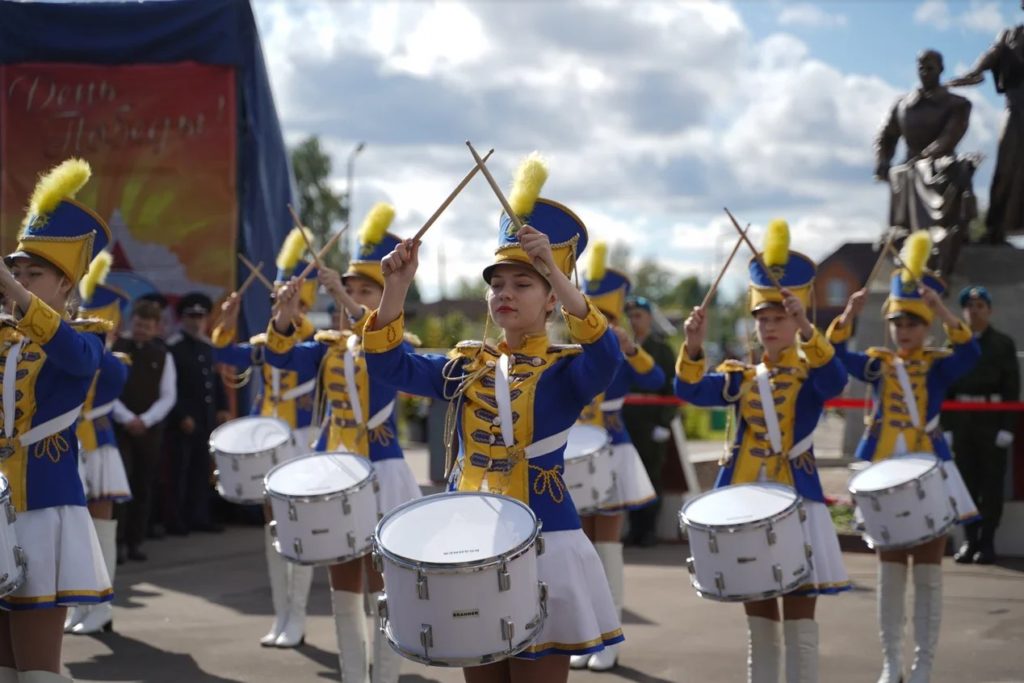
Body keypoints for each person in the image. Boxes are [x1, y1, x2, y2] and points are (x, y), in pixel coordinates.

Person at [364, 155, 622, 683]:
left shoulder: (565, 372)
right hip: (472, 542)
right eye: (497, 283)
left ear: (552, 299)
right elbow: (388, 365)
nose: (504, 293)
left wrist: (553, 267)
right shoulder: (465, 367)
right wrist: (396, 287)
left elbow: (606, 356)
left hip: (545, 541)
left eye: (522, 284)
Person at [675, 219, 850, 683]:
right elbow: (691, 390)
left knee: (800, 623)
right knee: (759, 625)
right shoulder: (741, 376)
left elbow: (836, 381)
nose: (770, 327)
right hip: (747, 500)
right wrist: (692, 345)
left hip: (798, 500)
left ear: (796, 319)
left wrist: (811, 330)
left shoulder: (813, 373)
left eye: (780, 318)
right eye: (763, 319)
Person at [267, 203, 421, 683]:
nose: (351, 296)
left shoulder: (401, 345)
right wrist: (286, 315)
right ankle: (355, 676)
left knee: (381, 584)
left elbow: (379, 342)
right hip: (334, 471)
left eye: (366, 289)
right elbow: (281, 357)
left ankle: (386, 677)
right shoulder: (330, 346)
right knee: (341, 587)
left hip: (380, 472)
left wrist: (351, 306)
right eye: (348, 288)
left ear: (387, 293)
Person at [828, 231, 980, 683]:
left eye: (913, 323)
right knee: (891, 570)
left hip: (930, 468)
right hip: (882, 473)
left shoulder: (938, 363)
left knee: (929, 572)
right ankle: (891, 661)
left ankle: (923, 664)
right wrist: (847, 316)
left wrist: (941, 308)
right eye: (898, 323)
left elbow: (970, 351)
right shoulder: (878, 363)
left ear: (925, 326)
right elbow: (833, 358)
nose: (904, 331)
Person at [0, 158, 113, 682]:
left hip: (44, 509)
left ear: (66, 285)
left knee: (37, 671)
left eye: (33, 273)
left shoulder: (88, 335)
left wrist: (17, 297)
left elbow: (79, 362)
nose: (18, 280)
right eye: (14, 270)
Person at [210, 235, 319, 649]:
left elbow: (298, 340)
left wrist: (292, 314)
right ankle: (281, 615)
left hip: (301, 439)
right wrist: (229, 318)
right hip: (267, 437)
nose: (280, 307)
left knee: (298, 528)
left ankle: (299, 616)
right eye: (277, 301)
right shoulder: (266, 342)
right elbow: (225, 354)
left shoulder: (314, 343)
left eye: (289, 300)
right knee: (272, 525)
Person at [569, 243, 662, 672]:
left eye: (606, 317)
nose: (598, 324)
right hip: (572, 451)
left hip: (610, 450)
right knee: (581, 550)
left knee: (607, 547)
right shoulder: (571, 347)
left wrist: (629, 346)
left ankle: (610, 640)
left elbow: (657, 377)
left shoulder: (621, 348)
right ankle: (587, 636)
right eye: (593, 314)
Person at [65, 257, 132, 636]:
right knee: (76, 532)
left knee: (101, 528)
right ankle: (80, 604)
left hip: (98, 444)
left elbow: (104, 371)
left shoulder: (112, 363)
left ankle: (102, 604)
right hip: (65, 443)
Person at [875, 50, 978, 276]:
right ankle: (906, 235)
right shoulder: (902, 105)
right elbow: (886, 135)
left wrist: (926, 157)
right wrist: (882, 160)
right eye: (921, 66)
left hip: (940, 162)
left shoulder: (957, 104)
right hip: (908, 165)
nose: (925, 71)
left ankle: (940, 238)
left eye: (930, 67)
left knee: (933, 171)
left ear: (941, 69)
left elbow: (950, 135)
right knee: (903, 173)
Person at [942, 285, 1019, 564]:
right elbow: (945, 389)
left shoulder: (1002, 343)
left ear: (989, 310)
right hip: (962, 420)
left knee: (991, 483)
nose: (974, 311)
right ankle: (969, 541)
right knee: (966, 484)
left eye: (980, 306)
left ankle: (987, 543)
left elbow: (1012, 388)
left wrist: (1008, 427)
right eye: (969, 306)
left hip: (991, 419)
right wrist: (947, 428)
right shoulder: (953, 343)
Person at [948, 2, 1024, 243]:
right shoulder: (1011, 34)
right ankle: (995, 227)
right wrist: (974, 72)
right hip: (1015, 108)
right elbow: (992, 54)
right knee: (1005, 169)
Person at [112, 298, 177, 563]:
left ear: (156, 328)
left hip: (149, 432)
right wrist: (127, 418)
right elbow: (107, 390)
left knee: (142, 486)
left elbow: (168, 396)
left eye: (147, 326)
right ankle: (115, 544)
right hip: (120, 429)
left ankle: (135, 542)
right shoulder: (116, 348)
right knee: (120, 486)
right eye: (138, 324)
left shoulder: (163, 355)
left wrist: (145, 420)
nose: (141, 330)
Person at [167, 293, 229, 535]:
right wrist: (181, 415)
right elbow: (171, 387)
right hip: (183, 422)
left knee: (203, 470)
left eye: (200, 317)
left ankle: (200, 517)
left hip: (205, 419)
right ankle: (176, 519)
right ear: (182, 319)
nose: (196, 322)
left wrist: (223, 407)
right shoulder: (174, 348)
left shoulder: (206, 347)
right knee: (179, 472)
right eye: (191, 316)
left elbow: (215, 381)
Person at [622, 296, 676, 547]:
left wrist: (664, 423)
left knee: (652, 475)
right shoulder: (625, 347)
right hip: (627, 419)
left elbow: (671, 389)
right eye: (631, 316)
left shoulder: (660, 348)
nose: (635, 321)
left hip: (651, 418)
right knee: (630, 476)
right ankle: (635, 529)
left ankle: (650, 529)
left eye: (639, 316)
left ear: (649, 318)